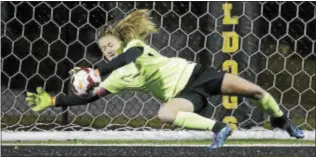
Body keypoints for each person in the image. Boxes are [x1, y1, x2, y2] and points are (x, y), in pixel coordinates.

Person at [25, 9, 304, 150]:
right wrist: (53, 99)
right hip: (183, 95)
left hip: (197, 74)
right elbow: (86, 98)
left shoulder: (135, 47)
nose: (107, 50)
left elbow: (127, 58)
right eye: (102, 49)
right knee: (166, 112)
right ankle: (219, 128)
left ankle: (282, 120)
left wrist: (97, 70)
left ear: (120, 42)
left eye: (110, 45)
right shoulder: (117, 77)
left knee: (256, 92)